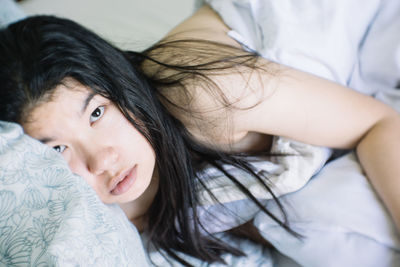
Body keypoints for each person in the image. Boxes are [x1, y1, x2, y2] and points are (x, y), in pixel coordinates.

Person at [1, 4, 400, 266]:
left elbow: (378, 123)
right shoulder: (98, 215)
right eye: (57, 149)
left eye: (97, 112)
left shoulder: (202, 97)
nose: (102, 161)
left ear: (118, 83)